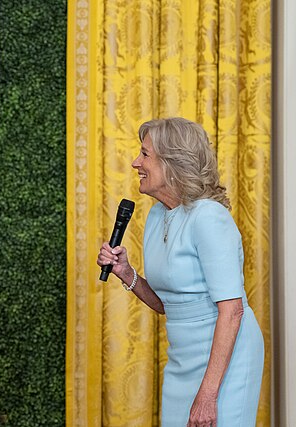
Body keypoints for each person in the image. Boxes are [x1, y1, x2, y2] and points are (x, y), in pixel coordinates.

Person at [97, 117, 264, 426]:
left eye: (145, 154)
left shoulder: (209, 218)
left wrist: (208, 395)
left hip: (225, 361)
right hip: (182, 360)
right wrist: (126, 272)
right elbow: (168, 304)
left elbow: (233, 310)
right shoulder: (157, 215)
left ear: (173, 163)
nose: (136, 162)